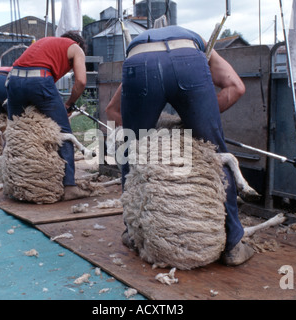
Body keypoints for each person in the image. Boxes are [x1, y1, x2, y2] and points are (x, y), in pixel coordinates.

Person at [105, 25, 253, 266]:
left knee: (131, 151)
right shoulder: (197, 41)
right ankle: (234, 244)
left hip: (140, 66)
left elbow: (112, 111)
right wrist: (194, 124)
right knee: (215, 153)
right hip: (189, 62)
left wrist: (153, 138)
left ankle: (131, 233)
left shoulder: (140, 48)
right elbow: (236, 87)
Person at [6, 31, 88, 200]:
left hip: (13, 79)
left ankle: (13, 180)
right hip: (39, 80)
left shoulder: (45, 42)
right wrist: (69, 104)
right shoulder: (76, 48)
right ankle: (70, 186)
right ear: (78, 44)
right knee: (63, 132)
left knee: (16, 130)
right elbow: (81, 81)